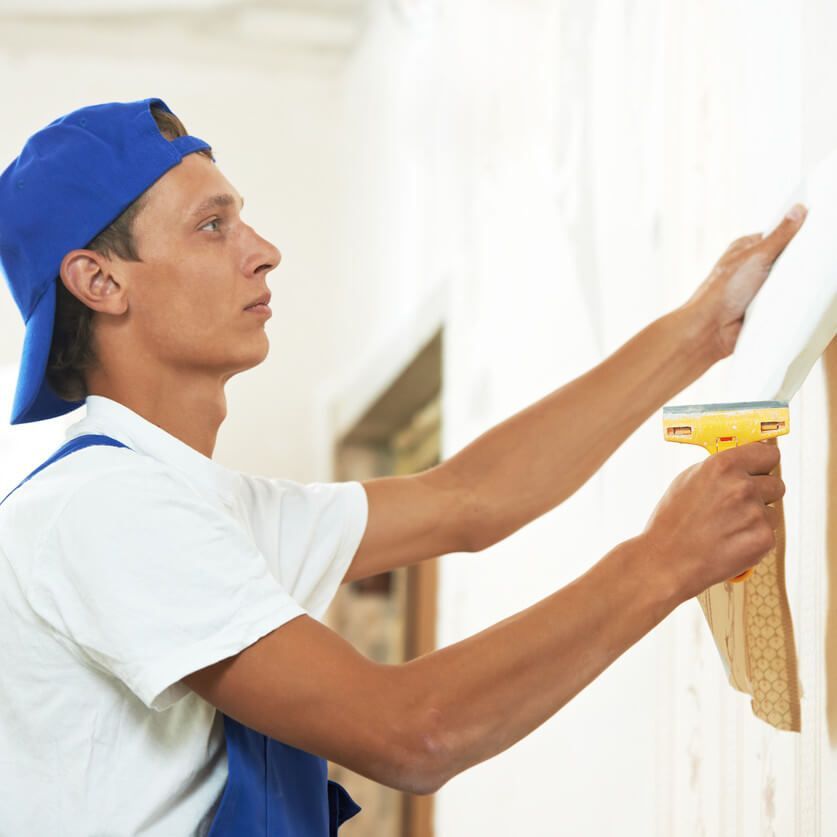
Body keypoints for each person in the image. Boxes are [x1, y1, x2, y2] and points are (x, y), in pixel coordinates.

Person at [0, 97, 804, 836]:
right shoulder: (103, 510)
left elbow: (470, 498)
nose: (265, 252)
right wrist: (660, 562)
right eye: (213, 226)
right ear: (99, 281)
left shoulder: (197, 507)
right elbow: (414, 731)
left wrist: (701, 330)